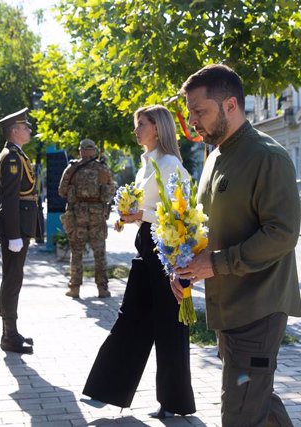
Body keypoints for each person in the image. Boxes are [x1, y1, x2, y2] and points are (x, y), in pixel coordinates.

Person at [174, 64, 301, 426]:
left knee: (240, 413)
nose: (193, 121)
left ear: (230, 104)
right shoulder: (214, 156)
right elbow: (211, 227)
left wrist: (214, 265)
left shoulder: (268, 156)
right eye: (190, 113)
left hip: (258, 308)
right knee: (257, 402)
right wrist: (185, 270)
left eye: (200, 111)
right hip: (228, 306)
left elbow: (282, 233)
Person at [83, 105, 196, 419]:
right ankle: (106, 389)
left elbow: (179, 212)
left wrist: (140, 215)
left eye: (141, 124)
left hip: (167, 250)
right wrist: (131, 217)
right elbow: (149, 210)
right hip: (146, 244)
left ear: (157, 127)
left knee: (170, 327)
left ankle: (175, 402)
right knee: (132, 316)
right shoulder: (145, 165)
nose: (136, 130)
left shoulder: (171, 164)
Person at [0, 107, 38, 354]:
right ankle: (9, 335)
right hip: (16, 225)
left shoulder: (17, 154)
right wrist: (13, 234)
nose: (29, 130)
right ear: (15, 131)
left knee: (14, 278)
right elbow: (9, 198)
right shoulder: (10, 157)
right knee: (12, 279)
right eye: (25, 126)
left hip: (20, 223)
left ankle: (11, 332)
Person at [58, 138, 116, 298]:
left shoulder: (72, 169)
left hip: (78, 214)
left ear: (81, 151)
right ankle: (102, 289)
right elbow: (111, 190)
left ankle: (74, 288)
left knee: (76, 251)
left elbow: (62, 191)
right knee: (99, 252)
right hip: (98, 215)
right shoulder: (103, 169)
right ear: (94, 151)